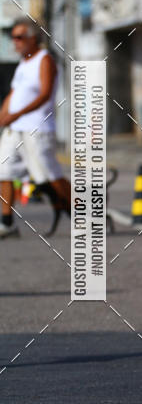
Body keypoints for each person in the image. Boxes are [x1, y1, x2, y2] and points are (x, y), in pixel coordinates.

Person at [0, 17, 70, 238]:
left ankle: (83, 214)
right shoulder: (23, 63)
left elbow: (45, 93)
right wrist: (3, 115)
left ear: (33, 38)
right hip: (14, 129)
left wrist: (18, 113)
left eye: (20, 37)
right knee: (4, 172)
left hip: (36, 129)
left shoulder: (44, 59)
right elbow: (14, 95)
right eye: (13, 38)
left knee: (49, 176)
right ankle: (7, 223)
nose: (15, 42)